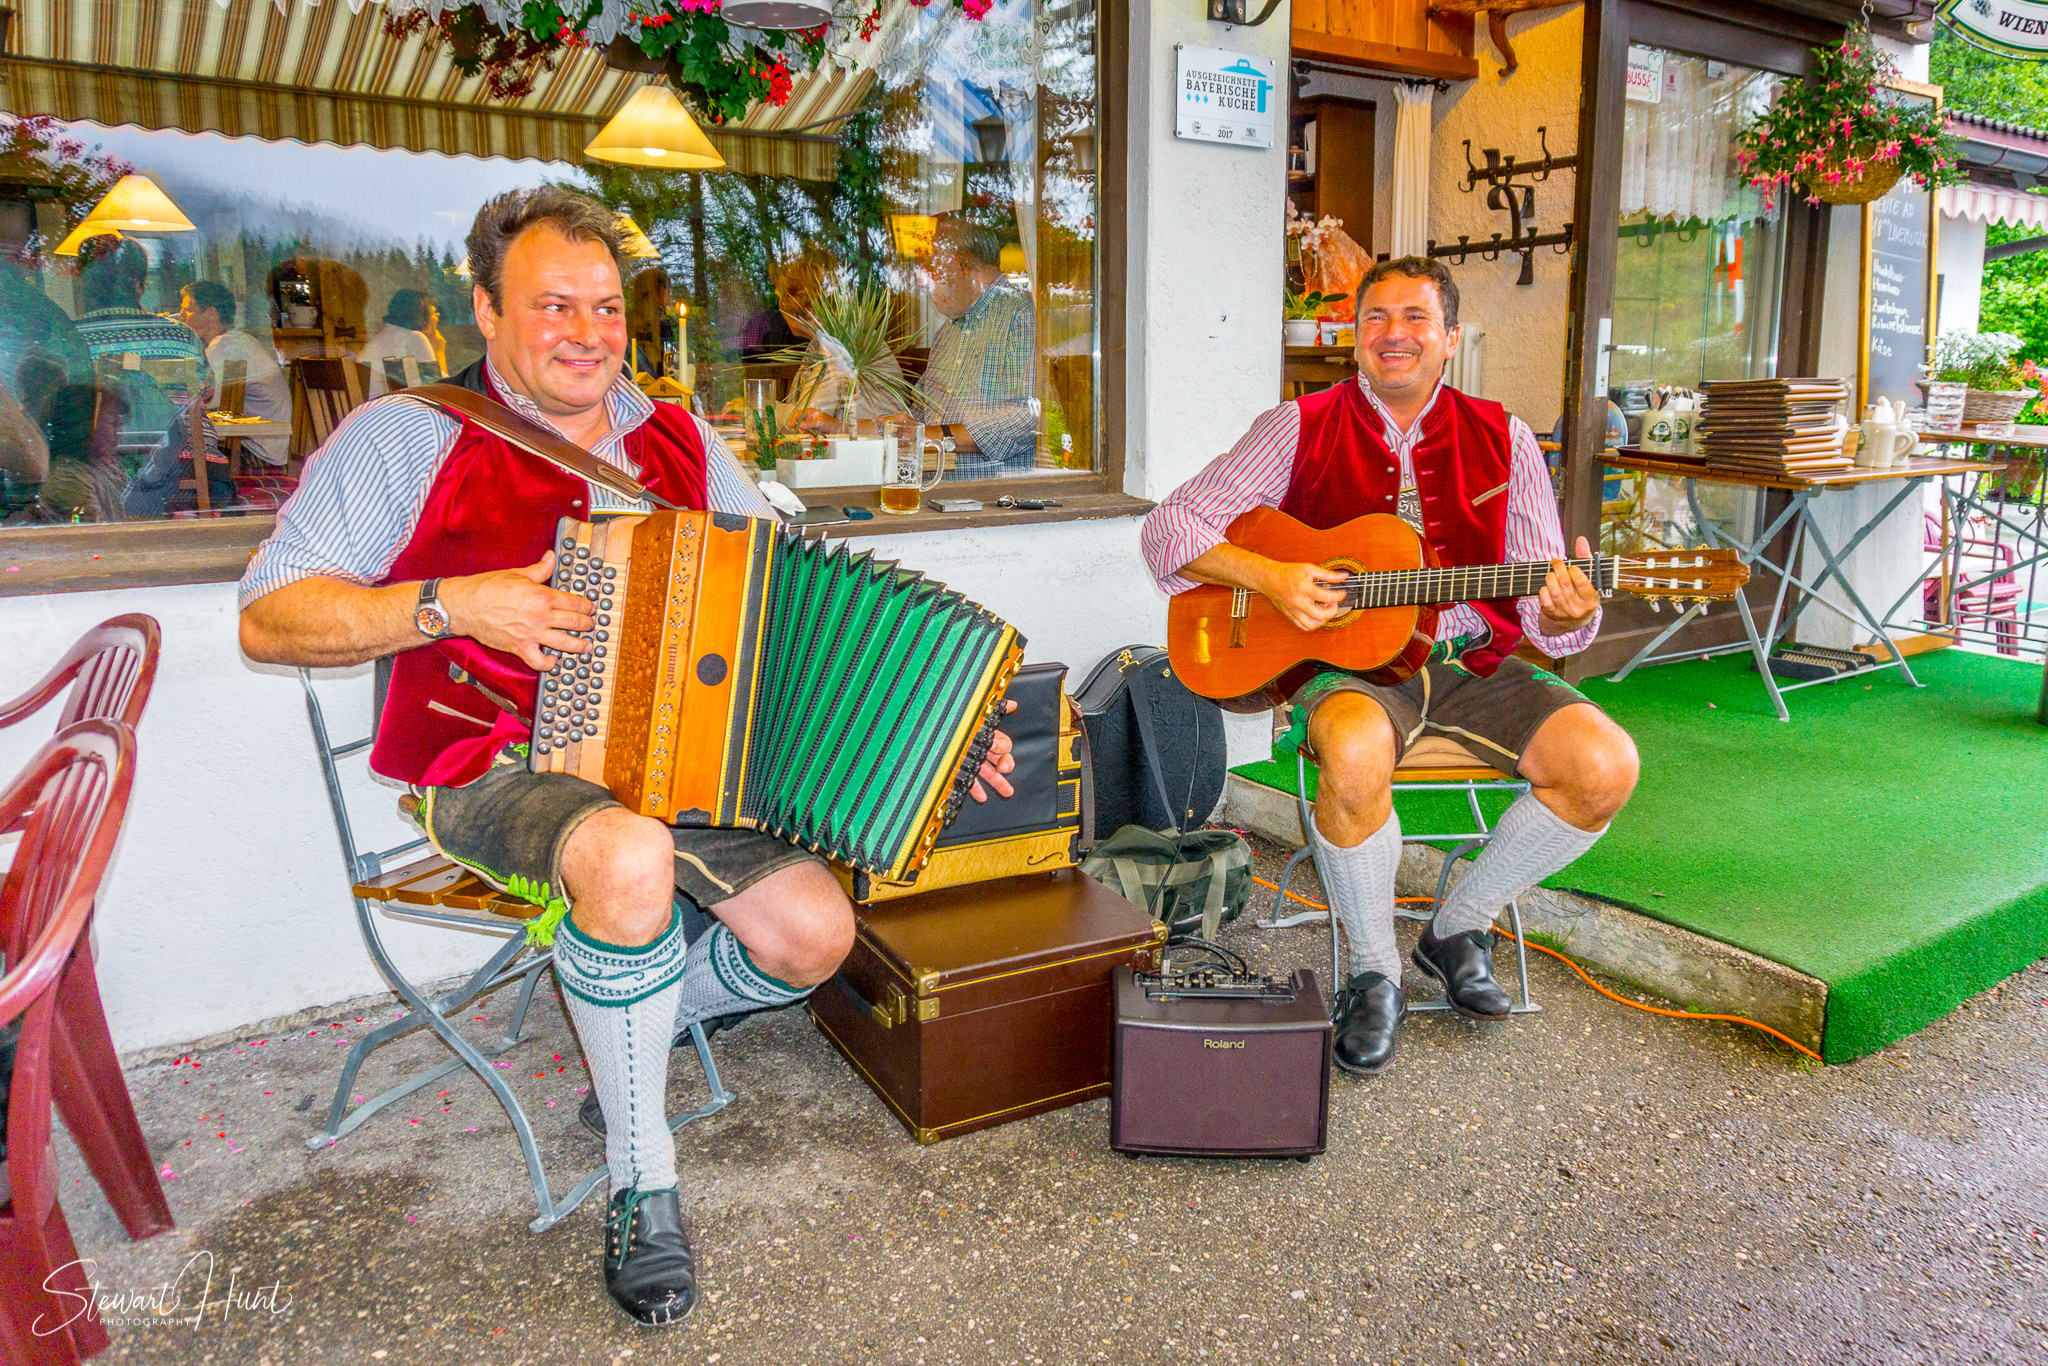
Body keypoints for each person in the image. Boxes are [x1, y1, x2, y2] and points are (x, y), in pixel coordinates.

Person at [236, 187, 1013, 1328]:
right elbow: (269, 616)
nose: (588, 332)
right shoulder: (410, 435)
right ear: (485, 312)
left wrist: (943, 723)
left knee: (817, 934)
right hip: (487, 761)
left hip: (684, 763)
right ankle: (641, 1177)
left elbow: (791, 595)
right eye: (553, 304)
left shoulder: (682, 439)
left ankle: (633, 1026)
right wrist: (451, 605)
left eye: (605, 306)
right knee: (627, 858)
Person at [1140, 256, 1638, 1076]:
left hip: (1478, 661)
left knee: (1605, 765)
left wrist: (1565, 613)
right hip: (1354, 671)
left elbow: (1550, 610)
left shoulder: (1505, 436)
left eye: (1415, 319)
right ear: (1355, 337)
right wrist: (1274, 577)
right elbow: (1170, 528)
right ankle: (1374, 972)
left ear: (1448, 339)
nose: (1394, 334)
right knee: (1356, 752)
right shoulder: (1297, 424)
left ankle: (1457, 926)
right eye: (1376, 318)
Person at [917, 217, 1036, 477]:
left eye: (931, 268)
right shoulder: (948, 331)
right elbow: (918, 413)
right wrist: (848, 428)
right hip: (935, 492)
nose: (923, 282)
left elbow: (1030, 417)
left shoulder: (1020, 314)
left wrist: (942, 436)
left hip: (992, 498)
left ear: (963, 264)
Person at [769, 250, 906, 429]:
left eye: (779, 297)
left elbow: (806, 420)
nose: (778, 308)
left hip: (872, 449)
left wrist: (761, 410)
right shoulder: (833, 335)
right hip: (857, 445)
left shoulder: (843, 340)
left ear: (796, 303)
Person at [178, 280, 293, 466]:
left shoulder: (226, 346)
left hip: (260, 454)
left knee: (178, 461)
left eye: (187, 311)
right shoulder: (236, 341)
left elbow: (197, 398)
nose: (182, 318)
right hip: (260, 446)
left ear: (211, 313)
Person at [361, 288, 444, 395]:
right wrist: (440, 351)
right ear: (422, 314)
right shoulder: (415, 338)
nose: (436, 319)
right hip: (393, 408)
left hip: (373, 407)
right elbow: (439, 391)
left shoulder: (383, 337)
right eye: (433, 313)